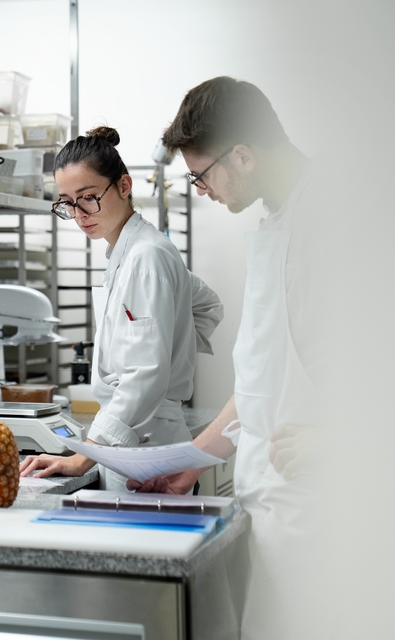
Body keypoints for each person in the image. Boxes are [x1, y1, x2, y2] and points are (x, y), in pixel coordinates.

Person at [127, 77, 338, 639]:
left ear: (241, 154)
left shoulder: (340, 215)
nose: (200, 190)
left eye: (201, 175)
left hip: (325, 520)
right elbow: (261, 386)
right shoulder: (278, 219)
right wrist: (193, 458)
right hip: (271, 514)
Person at [19, 126, 223, 491]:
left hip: (147, 450)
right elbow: (206, 303)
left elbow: (144, 375)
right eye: (67, 202)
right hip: (136, 442)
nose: (79, 213)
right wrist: (174, 340)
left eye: (88, 197)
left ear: (124, 186)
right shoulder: (128, 252)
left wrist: (86, 454)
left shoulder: (146, 257)